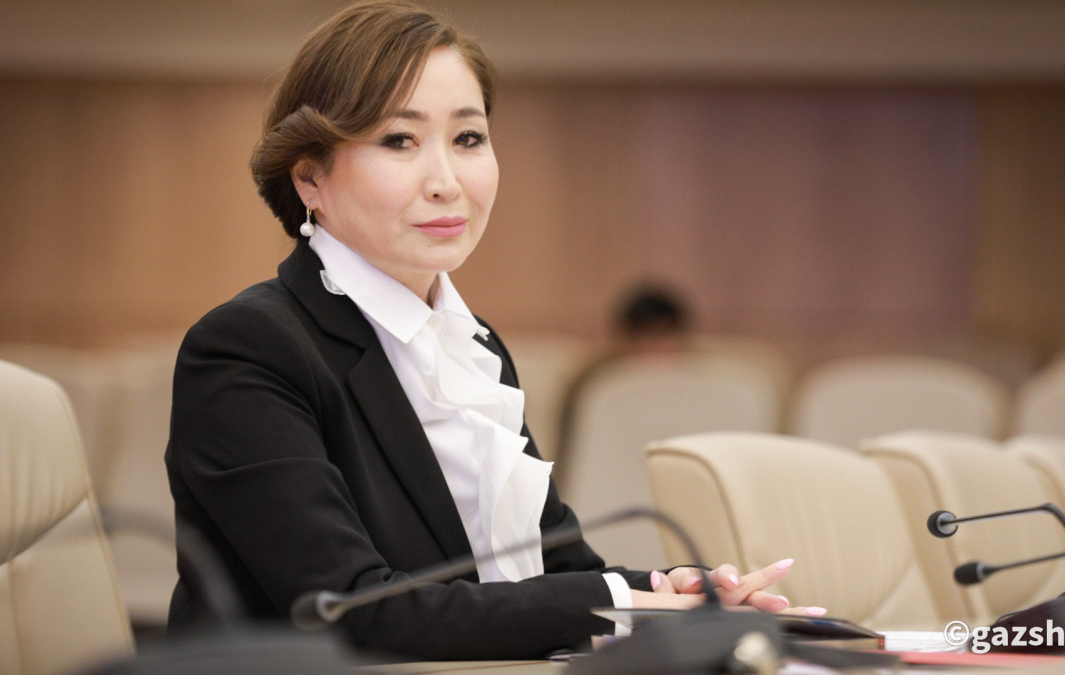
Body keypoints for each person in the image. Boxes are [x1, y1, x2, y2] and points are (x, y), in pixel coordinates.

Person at [165, 0, 820, 661]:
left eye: (468, 138)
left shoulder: (473, 345)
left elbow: (551, 571)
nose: (447, 182)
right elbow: (351, 612)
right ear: (310, 175)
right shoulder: (249, 349)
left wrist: (671, 592)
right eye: (400, 140)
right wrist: (621, 603)